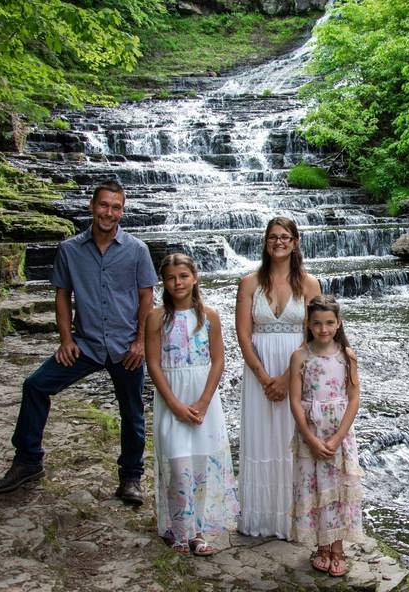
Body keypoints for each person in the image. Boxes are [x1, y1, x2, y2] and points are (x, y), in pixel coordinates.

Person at [0, 180, 157, 503]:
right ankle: (28, 461)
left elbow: (147, 298)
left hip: (124, 348)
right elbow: (62, 295)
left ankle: (131, 478)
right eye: (104, 205)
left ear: (123, 210)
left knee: (132, 412)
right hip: (87, 344)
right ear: (92, 207)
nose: (109, 212)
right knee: (35, 386)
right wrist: (65, 340)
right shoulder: (70, 250)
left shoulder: (137, 250)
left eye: (116, 207)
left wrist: (140, 342)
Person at [145, 253, 239, 556]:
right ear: (164, 282)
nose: (178, 283)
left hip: (204, 399)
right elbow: (154, 364)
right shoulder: (157, 317)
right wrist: (174, 404)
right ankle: (178, 529)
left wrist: (203, 400)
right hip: (172, 398)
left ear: (195, 277)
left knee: (200, 465)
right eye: (171, 278)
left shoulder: (208, 316)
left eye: (183, 276)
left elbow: (218, 359)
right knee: (177, 464)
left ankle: (197, 532)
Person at [235, 217, 321, 538]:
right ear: (265, 242)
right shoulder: (249, 284)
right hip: (259, 372)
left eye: (285, 236)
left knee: (292, 442)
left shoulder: (310, 285)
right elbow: (243, 334)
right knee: (262, 440)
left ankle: (292, 520)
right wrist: (263, 376)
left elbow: (314, 333)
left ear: (295, 241)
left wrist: (287, 377)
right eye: (273, 237)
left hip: (297, 370)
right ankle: (261, 518)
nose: (278, 242)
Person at [289, 295, 364, 577]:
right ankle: (321, 546)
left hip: (339, 434)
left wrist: (337, 437)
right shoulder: (300, 356)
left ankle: (338, 548)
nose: (323, 329)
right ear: (308, 324)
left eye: (329, 323)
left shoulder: (347, 355)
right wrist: (309, 436)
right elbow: (295, 400)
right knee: (315, 488)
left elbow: (354, 397)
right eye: (317, 323)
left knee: (337, 490)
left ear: (338, 323)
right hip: (311, 432)